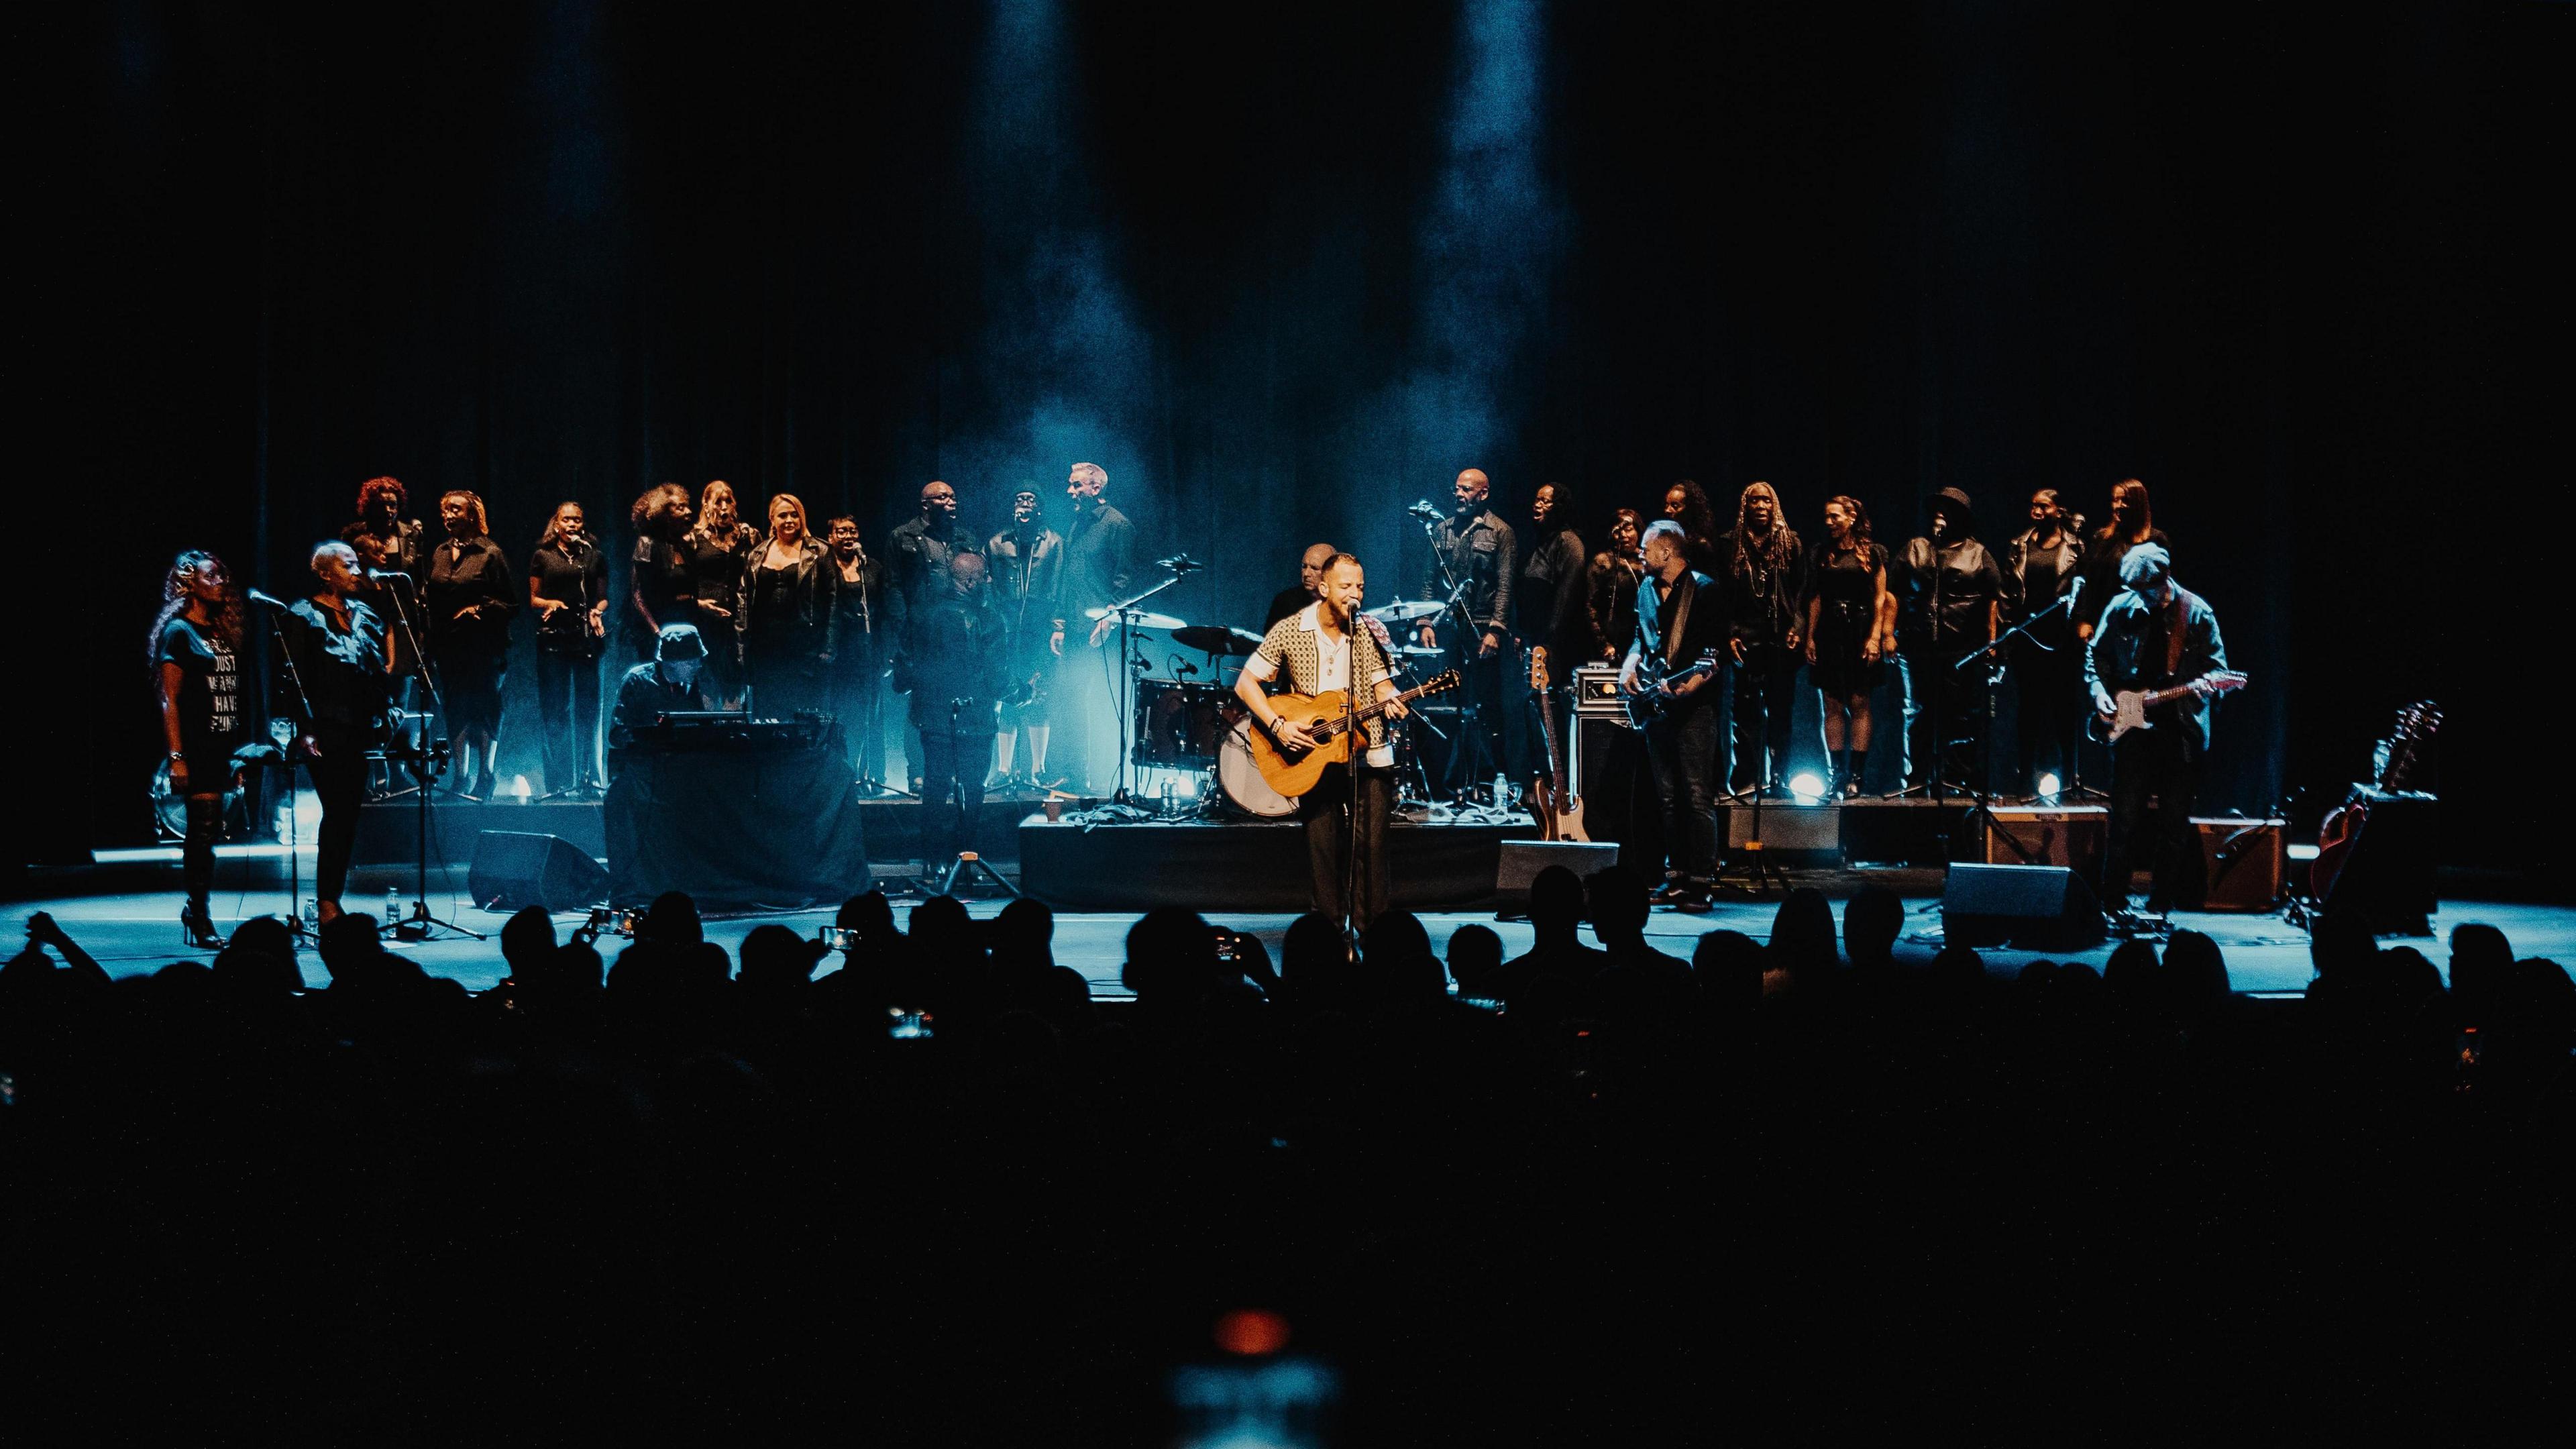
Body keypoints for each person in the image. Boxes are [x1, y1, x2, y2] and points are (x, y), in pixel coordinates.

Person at [1236, 553, 1410, 933]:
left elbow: (1382, 682)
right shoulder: (1290, 629)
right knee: (1323, 850)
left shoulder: (1366, 629)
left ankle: (1373, 935)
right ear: (1324, 587)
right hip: (1315, 756)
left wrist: (1393, 697)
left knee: (1373, 851)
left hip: (1370, 753)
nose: (1355, 595)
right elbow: (1246, 684)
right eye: (1347, 587)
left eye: (1360, 587)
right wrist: (1278, 725)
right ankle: (1329, 936)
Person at [2086, 543, 2229, 914]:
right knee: (2124, 821)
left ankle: (2160, 905)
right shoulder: (2122, 607)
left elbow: (2218, 668)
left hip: (2179, 731)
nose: (2138, 598)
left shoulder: (2196, 613)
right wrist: (2099, 690)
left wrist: (2206, 684)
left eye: (2143, 591)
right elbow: (2095, 655)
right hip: (2132, 718)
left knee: (2173, 826)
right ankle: (2111, 901)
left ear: (2162, 581)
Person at [1618, 521, 1729, 911]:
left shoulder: (1705, 590)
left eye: (1646, 548)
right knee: (1667, 799)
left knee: (1697, 796)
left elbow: (1714, 655)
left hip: (1694, 709)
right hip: (1656, 707)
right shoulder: (1646, 588)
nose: (1640, 554)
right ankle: (1677, 876)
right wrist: (1629, 665)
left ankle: (1701, 881)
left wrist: (1690, 685)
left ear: (1667, 552)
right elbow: (1640, 635)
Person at [281, 541, 392, 923]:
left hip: (359, 728)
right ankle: (327, 900)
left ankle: (331, 897)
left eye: (357, 565)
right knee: (338, 810)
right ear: (326, 573)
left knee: (347, 814)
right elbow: (293, 678)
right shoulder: (304, 615)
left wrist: (384, 709)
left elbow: (377, 669)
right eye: (349, 566)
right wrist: (305, 729)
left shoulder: (364, 614)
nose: (357, 572)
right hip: (324, 727)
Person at [152, 550, 245, 948]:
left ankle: (199, 909)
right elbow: (169, 699)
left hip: (223, 746)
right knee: (203, 832)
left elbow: (231, 695)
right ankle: (199, 911)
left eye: (222, 575)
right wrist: (177, 757)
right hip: (198, 746)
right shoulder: (179, 631)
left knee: (212, 833)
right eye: (212, 576)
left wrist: (239, 755)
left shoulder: (220, 632)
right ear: (189, 583)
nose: (221, 581)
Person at [1895, 486, 2013, 794]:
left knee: (1960, 716)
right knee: (1917, 714)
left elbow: (1994, 600)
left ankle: (1958, 779)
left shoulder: (1978, 553)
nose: (1940, 513)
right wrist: (1885, 633)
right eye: (1936, 507)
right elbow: (1892, 592)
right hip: (1918, 646)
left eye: (1947, 508)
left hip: (1963, 649)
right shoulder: (1915, 548)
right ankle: (1917, 779)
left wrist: (1993, 642)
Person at [1416, 468, 1516, 790]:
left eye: (1467, 489)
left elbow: (1505, 585)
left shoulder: (1501, 532)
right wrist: (1426, 621)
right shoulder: (1442, 530)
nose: (1459, 494)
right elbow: (1429, 579)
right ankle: (1452, 780)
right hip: (1449, 627)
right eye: (1457, 489)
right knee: (1451, 701)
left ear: (1483, 493)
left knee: (1487, 705)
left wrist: (1496, 630)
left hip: (1483, 627)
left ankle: (1495, 778)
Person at [908, 552, 1010, 863]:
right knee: (972, 789)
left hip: (933, 717)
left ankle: (933, 863)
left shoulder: (925, 613)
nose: (990, 581)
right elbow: (995, 677)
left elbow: (906, 664)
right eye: (985, 577)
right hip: (975, 719)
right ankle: (966, 860)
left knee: (935, 788)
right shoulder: (989, 618)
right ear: (970, 582)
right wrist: (1024, 693)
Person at [1717, 480, 1809, 796]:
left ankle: (1780, 777)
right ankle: (1747, 778)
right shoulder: (1730, 544)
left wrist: (1798, 626)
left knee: (1781, 714)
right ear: (1745, 506)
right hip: (1745, 640)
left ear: (1775, 506)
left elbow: (1803, 591)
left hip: (1781, 640)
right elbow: (1723, 596)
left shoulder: (1791, 543)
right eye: (1754, 501)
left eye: (1766, 501)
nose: (1760, 507)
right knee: (1745, 716)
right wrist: (1729, 633)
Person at [425, 489, 517, 799]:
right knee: (456, 707)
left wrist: (478, 609)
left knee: (485, 707)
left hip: (484, 646)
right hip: (450, 646)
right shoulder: (439, 552)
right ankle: (460, 777)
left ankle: (486, 775)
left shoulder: (490, 553)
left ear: (472, 516)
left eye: (456, 510)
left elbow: (510, 604)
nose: (449, 515)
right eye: (446, 510)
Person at [1051, 462, 1136, 794]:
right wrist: (1059, 625)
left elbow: (1124, 579)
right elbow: (1067, 579)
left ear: (1095, 488)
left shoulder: (1118, 525)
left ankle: (1101, 778)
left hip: (1100, 631)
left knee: (1098, 702)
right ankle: (1075, 774)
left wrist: (1109, 619)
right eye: (1071, 485)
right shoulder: (1077, 525)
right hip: (1074, 627)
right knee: (1070, 702)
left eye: (1076, 486)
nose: (1070, 491)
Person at [1803, 496, 1891, 798]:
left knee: (1859, 701)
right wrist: (1810, 637)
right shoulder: (1820, 553)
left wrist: (1875, 636)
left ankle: (1857, 774)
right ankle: (1837, 774)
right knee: (1831, 704)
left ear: (1851, 517)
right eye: (1826, 517)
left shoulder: (1874, 553)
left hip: (1860, 627)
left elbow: (1881, 598)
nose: (1829, 522)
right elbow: (1815, 597)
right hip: (1830, 630)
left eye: (1835, 516)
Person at [2008, 488, 2086, 797]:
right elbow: (2007, 590)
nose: (2036, 511)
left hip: (2063, 640)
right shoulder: (2019, 545)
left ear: (2058, 510)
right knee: (2029, 711)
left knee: (2064, 711)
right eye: (2033, 506)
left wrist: (2080, 623)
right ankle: (2025, 780)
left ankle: (2070, 781)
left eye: (2043, 506)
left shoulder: (2076, 547)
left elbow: (2085, 593)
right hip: (2028, 637)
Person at [527, 501, 608, 795]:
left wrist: (597, 612)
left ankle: (589, 779)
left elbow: (602, 597)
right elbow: (534, 598)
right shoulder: (543, 556)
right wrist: (549, 603)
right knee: (555, 710)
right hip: (553, 639)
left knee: (589, 709)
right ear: (557, 524)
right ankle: (558, 781)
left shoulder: (593, 555)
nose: (572, 525)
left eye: (577, 520)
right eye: (567, 520)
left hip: (586, 638)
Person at [986, 487, 1064, 788]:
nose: (1024, 504)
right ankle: (1004, 770)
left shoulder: (1054, 542)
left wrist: (1059, 626)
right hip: (1005, 630)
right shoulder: (996, 543)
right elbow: (987, 583)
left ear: (1040, 508)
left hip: (1040, 630)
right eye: (1019, 499)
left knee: (1039, 695)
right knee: (1006, 697)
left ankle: (1038, 769)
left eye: (1030, 500)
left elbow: (1059, 585)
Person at [739, 493, 836, 717]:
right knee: (768, 714)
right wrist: (742, 649)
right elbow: (743, 603)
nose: (790, 520)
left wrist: (829, 645)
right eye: (783, 515)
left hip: (804, 648)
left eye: (795, 515)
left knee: (801, 715)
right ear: (772, 519)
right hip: (767, 650)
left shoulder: (819, 552)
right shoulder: (756, 555)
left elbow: (833, 601)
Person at [1518, 482, 1589, 782]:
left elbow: (1565, 599)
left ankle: (1559, 785)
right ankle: (1542, 781)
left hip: (1557, 645)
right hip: (1537, 641)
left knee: (1554, 715)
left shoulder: (1569, 543)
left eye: (1546, 502)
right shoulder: (1542, 543)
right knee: (1534, 711)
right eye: (1537, 499)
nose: (1538, 505)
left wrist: (1549, 643)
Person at [683, 480, 763, 706]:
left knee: (735, 679)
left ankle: (733, 733)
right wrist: (698, 603)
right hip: (706, 620)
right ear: (706, 505)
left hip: (737, 621)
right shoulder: (693, 537)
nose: (724, 507)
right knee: (706, 678)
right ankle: (709, 731)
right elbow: (681, 580)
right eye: (718, 502)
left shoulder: (748, 535)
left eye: (729, 501)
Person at [824, 515, 888, 782]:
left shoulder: (871, 568)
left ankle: (869, 773)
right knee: (841, 711)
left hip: (867, 648)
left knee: (870, 713)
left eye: (852, 531)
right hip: (838, 650)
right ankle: (841, 771)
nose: (848, 536)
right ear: (831, 537)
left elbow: (885, 609)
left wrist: (886, 652)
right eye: (841, 532)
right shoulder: (824, 567)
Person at [2074, 478, 2169, 647]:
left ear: (2138, 504)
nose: (2118, 506)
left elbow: (2161, 589)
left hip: (2139, 631)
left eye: (2125, 501)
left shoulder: (2154, 541)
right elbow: (2090, 584)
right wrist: (2084, 620)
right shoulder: (2102, 539)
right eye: (2115, 500)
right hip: (2101, 626)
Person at [610, 623, 717, 750]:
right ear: (672, 662)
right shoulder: (637, 680)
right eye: (691, 662)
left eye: (698, 661)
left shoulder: (692, 684)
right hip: (645, 761)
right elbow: (618, 734)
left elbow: (702, 726)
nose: (698, 666)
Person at [627, 483, 696, 657]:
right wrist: (657, 632)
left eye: (687, 506)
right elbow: (637, 595)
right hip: (657, 630)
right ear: (665, 515)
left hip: (683, 627)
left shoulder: (684, 546)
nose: (688, 511)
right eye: (680, 508)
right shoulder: (647, 543)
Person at [1585, 507, 1646, 662]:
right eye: (1618, 531)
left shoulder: (1647, 561)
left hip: (1645, 638)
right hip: (1614, 640)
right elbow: (1590, 606)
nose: (1624, 535)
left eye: (1628, 529)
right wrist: (1603, 644)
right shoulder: (1603, 562)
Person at [1266, 541, 1338, 631]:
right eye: (1304, 566)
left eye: (1315, 568)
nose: (1306, 573)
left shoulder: (1342, 602)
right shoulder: (1285, 602)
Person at [1661, 479, 1723, 576]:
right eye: (1667, 505)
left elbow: (1707, 584)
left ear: (1690, 509)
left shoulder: (1700, 545)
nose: (1668, 510)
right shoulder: (1664, 539)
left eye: (1675, 506)